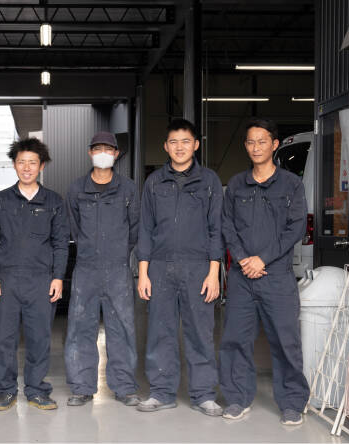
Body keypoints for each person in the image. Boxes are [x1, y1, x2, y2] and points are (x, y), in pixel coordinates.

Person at [219, 118, 309, 425]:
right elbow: (227, 226)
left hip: (277, 276)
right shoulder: (236, 185)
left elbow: (295, 227)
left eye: (262, 141)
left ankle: (292, 403)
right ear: (245, 146)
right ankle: (236, 398)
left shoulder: (291, 185)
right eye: (250, 142)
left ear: (274, 144)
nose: (256, 147)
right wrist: (244, 259)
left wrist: (263, 259)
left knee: (285, 341)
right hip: (241, 277)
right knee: (235, 339)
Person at [135, 118, 224, 415]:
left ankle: (203, 394)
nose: (180, 147)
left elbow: (216, 229)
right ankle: (161, 392)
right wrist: (143, 273)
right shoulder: (154, 182)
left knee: (200, 331)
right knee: (160, 331)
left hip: (198, 267)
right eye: (173, 142)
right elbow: (145, 229)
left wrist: (214, 273)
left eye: (185, 141)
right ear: (166, 146)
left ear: (196, 145)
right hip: (160, 267)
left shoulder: (209, 181)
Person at [0, 138, 69, 411]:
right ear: (14, 165)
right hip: (6, 279)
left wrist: (58, 277)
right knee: (3, 338)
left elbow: (60, 243)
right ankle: (5, 391)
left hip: (41, 280)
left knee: (39, 338)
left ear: (41, 166)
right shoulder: (0, 201)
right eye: (22, 162)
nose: (27, 167)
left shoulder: (53, 201)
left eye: (32, 162)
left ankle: (36, 390)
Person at [64, 131, 141, 407]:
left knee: (122, 328)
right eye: (98, 149)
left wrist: (117, 252)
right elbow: (74, 227)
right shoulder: (76, 189)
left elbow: (135, 229)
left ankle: (124, 387)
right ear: (90, 153)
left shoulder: (128, 189)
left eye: (108, 149)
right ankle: (82, 386)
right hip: (85, 268)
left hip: (118, 269)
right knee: (80, 327)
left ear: (116, 154)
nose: (103, 154)